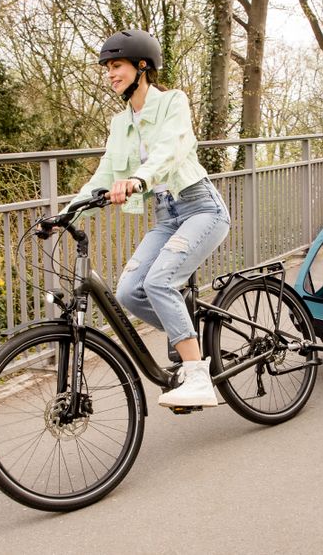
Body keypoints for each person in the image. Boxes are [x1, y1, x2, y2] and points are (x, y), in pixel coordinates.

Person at [61, 30, 230, 408]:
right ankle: (188, 339)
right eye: (106, 67)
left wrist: (139, 178)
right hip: (166, 215)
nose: (109, 73)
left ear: (142, 66)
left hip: (201, 207)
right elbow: (103, 175)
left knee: (159, 281)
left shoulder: (173, 103)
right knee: (129, 291)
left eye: (116, 65)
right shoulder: (120, 123)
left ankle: (198, 377)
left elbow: (170, 149)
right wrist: (63, 212)